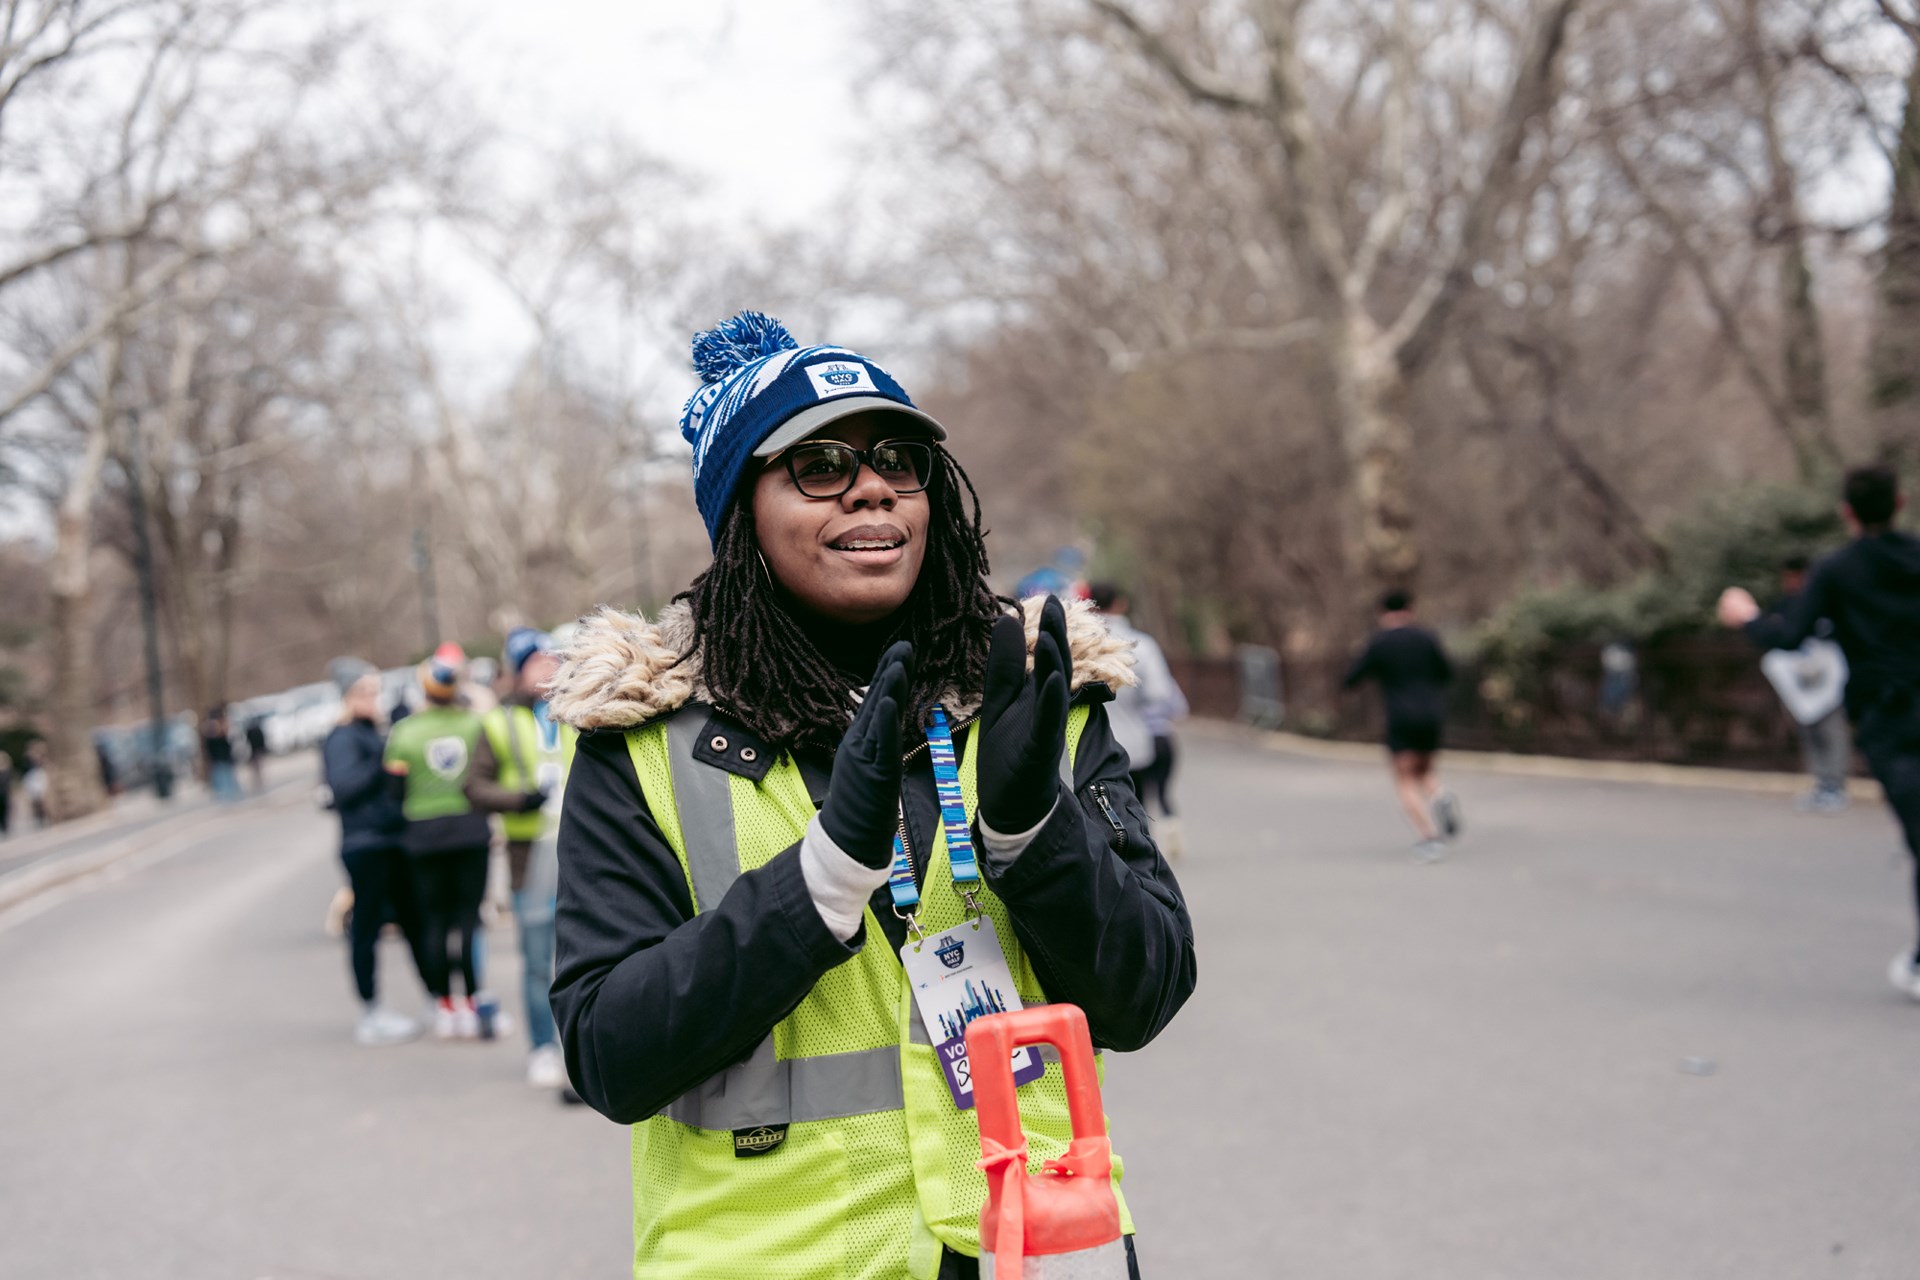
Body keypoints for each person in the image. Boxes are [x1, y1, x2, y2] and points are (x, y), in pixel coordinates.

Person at [547, 311, 1194, 1279]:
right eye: (817, 465)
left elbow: (1146, 993)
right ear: (741, 516)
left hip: (1040, 1249)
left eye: (898, 458)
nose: (872, 487)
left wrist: (1035, 833)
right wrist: (819, 881)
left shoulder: (1041, 692)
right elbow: (611, 1055)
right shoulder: (640, 741)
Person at [1719, 464, 1920, 1000]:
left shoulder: (1837, 571)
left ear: (1847, 512)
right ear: (1900, 502)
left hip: (1889, 720)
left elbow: (1790, 635)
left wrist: (1746, 617)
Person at [464, 626, 575, 1090]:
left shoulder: (577, 709)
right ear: (517, 670)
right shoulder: (496, 722)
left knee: (583, 953)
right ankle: (542, 1049)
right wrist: (518, 800)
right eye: (533, 661)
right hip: (529, 855)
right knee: (536, 959)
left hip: (576, 849)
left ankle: (579, 1049)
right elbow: (473, 786)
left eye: (550, 659)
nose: (545, 668)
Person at [384, 643, 493, 1039]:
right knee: (467, 920)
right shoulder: (473, 725)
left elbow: (393, 795)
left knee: (434, 922)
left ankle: (444, 1006)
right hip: (469, 830)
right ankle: (473, 1003)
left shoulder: (403, 733)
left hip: (423, 836)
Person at [322, 667, 431, 1045]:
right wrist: (386, 758)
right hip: (365, 846)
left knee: (415, 922)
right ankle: (371, 1011)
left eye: (375, 692)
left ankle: (435, 997)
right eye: (364, 692)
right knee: (366, 929)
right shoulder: (342, 738)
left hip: (392, 840)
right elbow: (344, 787)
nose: (373, 700)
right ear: (348, 697)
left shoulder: (370, 732)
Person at [1343, 589, 1460, 861]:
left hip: (1400, 717)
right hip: (1431, 714)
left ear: (1383, 614)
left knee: (1405, 778)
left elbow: (1352, 678)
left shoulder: (1380, 643)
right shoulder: (1427, 638)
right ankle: (1440, 795)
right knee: (1425, 769)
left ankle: (1429, 838)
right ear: (1411, 610)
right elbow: (1447, 673)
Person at [1088, 583, 1189, 851]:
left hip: (1093, 745)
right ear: (1120, 603)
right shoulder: (1141, 646)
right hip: (1138, 739)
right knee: (1141, 803)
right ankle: (1149, 852)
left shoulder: (1082, 648)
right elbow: (1159, 693)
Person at [1757, 554, 1851, 812]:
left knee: (1832, 732)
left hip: (1827, 680)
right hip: (1798, 683)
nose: (1793, 582)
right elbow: (1777, 634)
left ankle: (1836, 786)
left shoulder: (1825, 602)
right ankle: (1822, 784)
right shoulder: (1783, 604)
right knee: (1808, 733)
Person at [201, 706, 240, 802]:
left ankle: (230, 796)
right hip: (219, 759)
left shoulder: (220, 731)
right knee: (222, 778)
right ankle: (226, 797)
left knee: (226, 778)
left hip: (223, 758)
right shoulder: (212, 733)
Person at [23, 740, 48, 827]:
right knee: (34, 800)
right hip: (32, 777)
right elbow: (26, 769)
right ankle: (37, 817)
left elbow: (42, 766)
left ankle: (44, 816)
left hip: (38, 777)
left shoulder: (40, 758)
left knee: (41, 798)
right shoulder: (27, 758)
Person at [244, 717, 269, 794]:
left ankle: (257, 784)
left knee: (256, 770)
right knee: (258, 770)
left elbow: (247, 742)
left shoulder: (249, 731)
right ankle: (259, 784)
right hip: (257, 752)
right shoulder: (257, 730)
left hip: (254, 752)